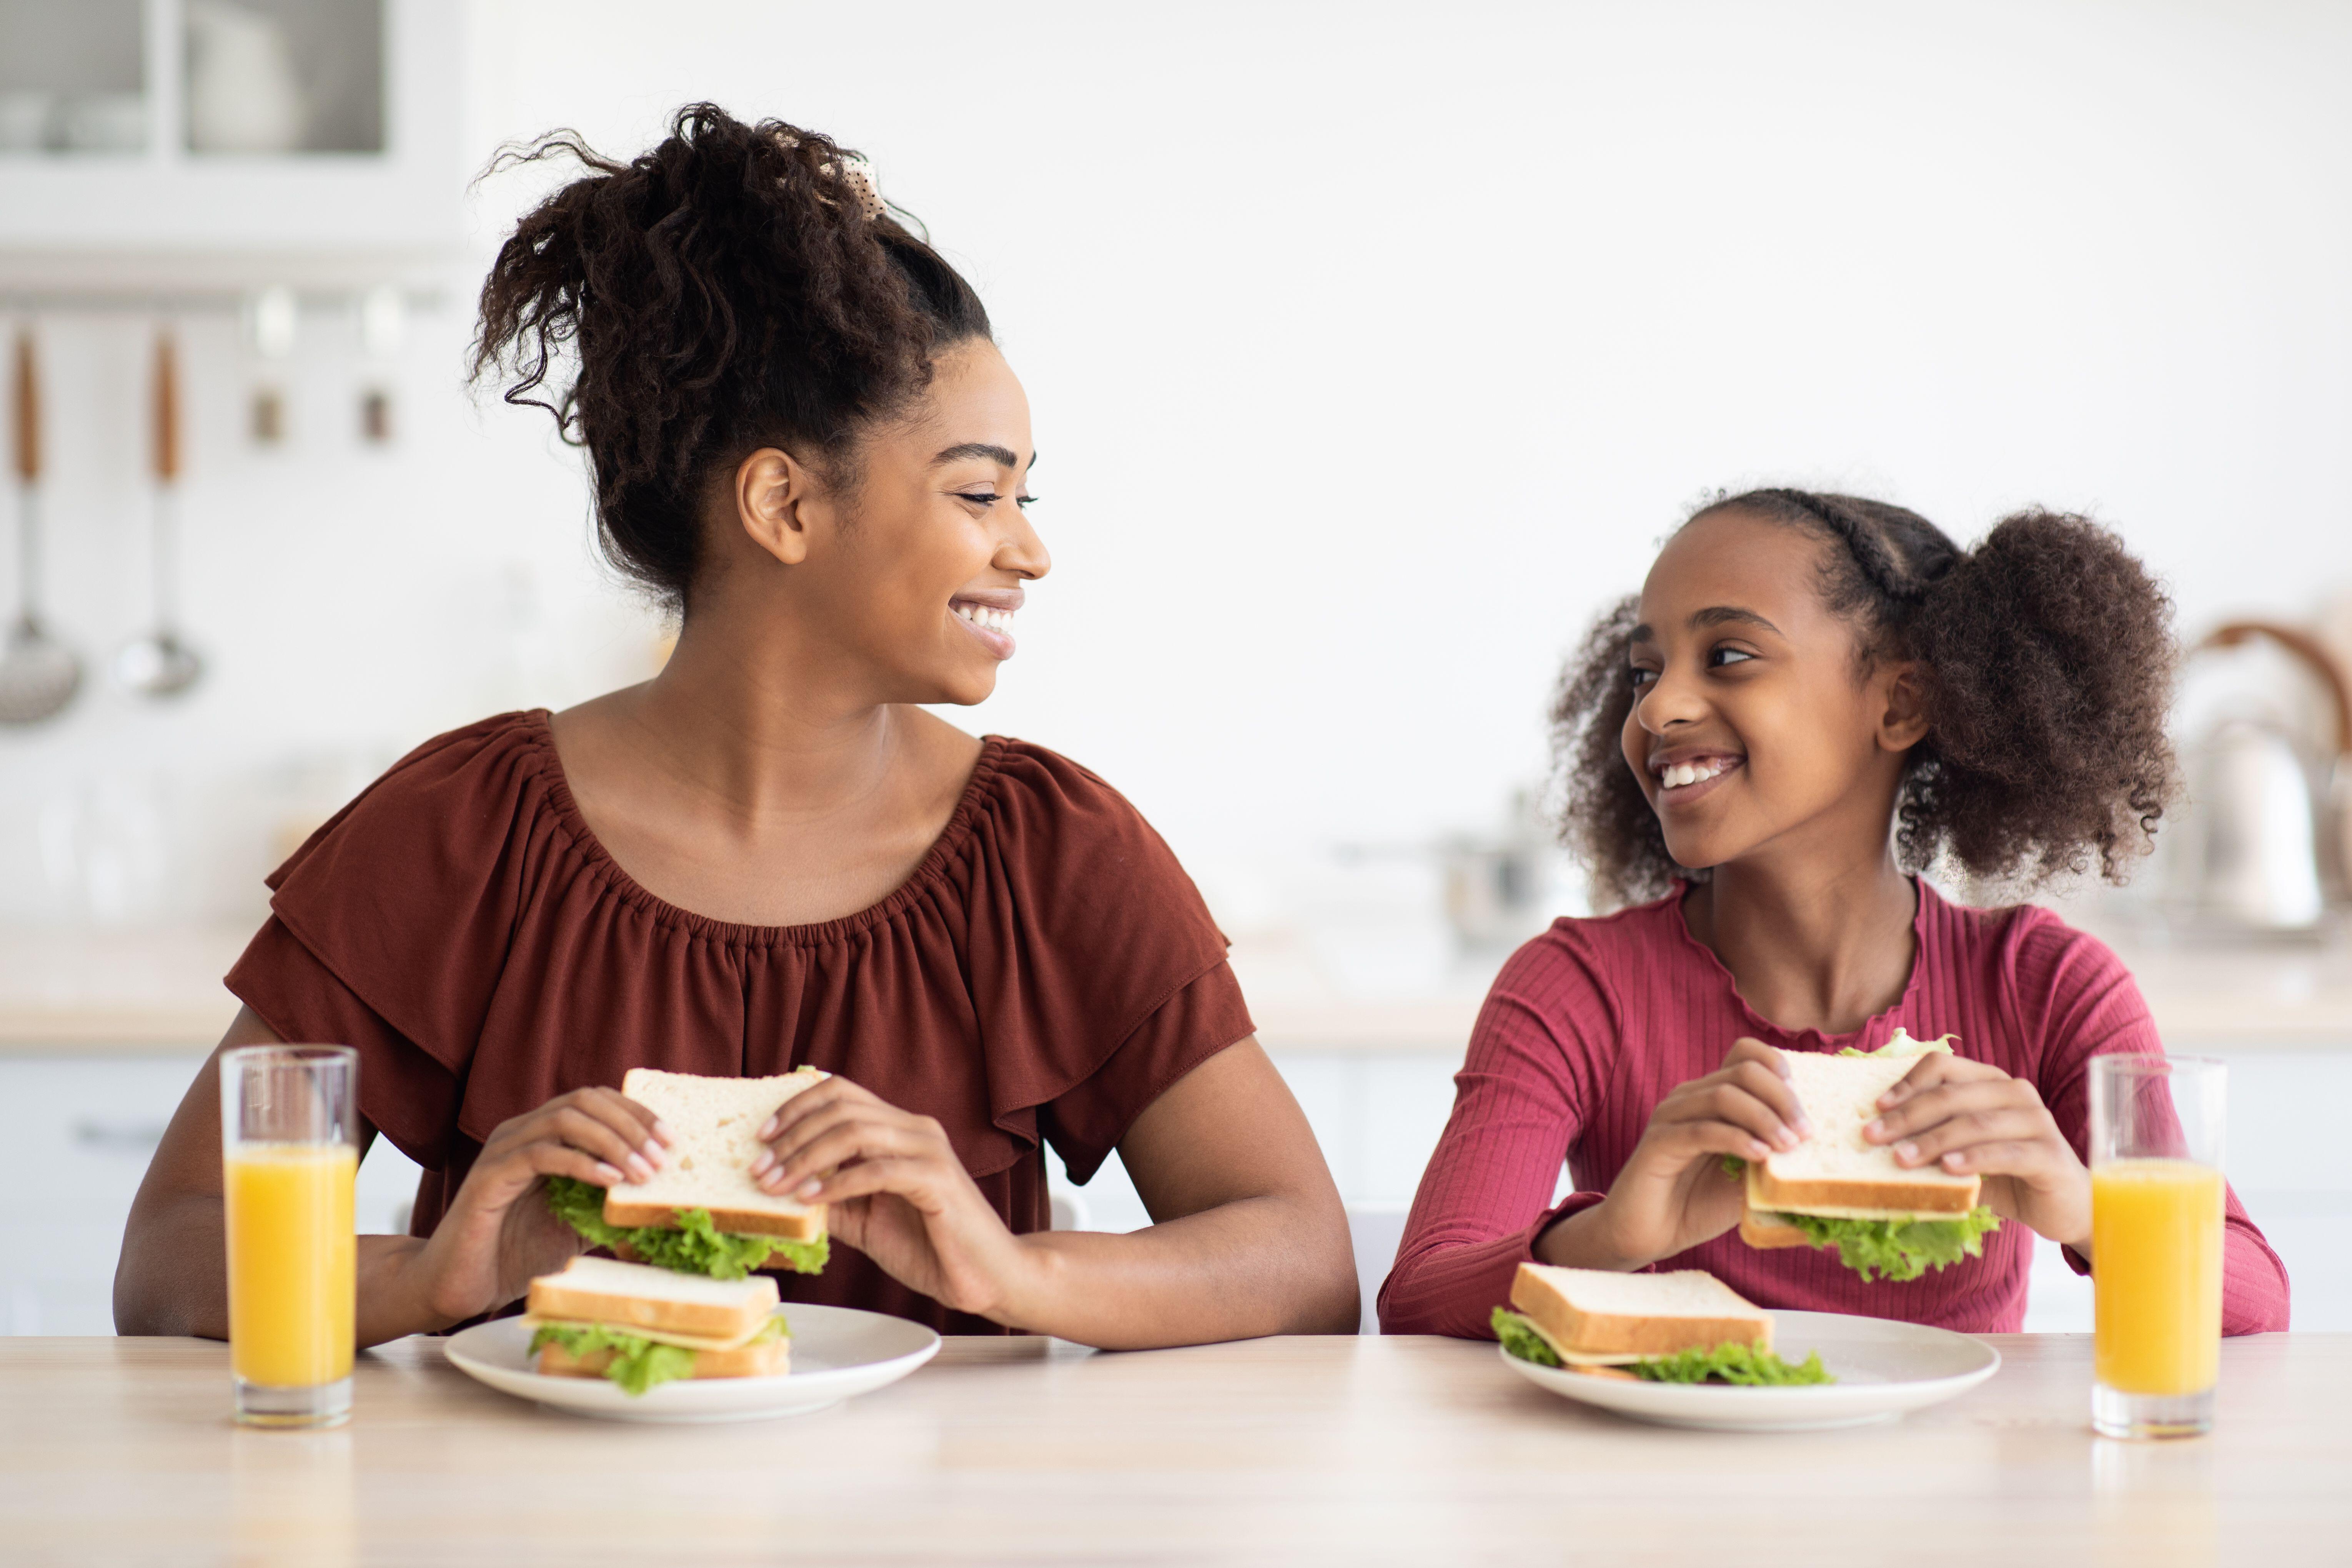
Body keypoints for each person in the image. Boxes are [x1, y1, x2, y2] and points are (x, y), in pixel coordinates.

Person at [117, 105, 1357, 1348]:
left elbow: (1299, 1255)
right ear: (782, 501)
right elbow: (170, 1257)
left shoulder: (1050, 852)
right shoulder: (459, 832)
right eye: (978, 491)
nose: (1028, 548)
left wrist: (1012, 1271)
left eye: (1021, 496)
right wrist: (429, 1274)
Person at [1380, 489, 2290, 1336]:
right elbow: (1422, 1291)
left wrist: (2083, 1207)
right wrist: (1615, 1234)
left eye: (1727, 655)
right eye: (1642, 671)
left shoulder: (2047, 987)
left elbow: (2254, 1296)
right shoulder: (1576, 986)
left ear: (1897, 705)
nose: (1658, 706)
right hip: (1666, 1499)